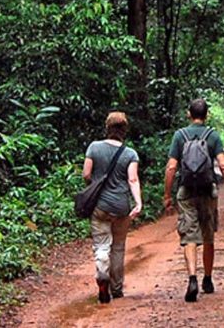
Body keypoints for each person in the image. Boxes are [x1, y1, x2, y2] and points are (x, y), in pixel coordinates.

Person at [163, 98, 224, 302]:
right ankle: (207, 278)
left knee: (189, 235)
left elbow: (171, 167)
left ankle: (192, 278)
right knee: (208, 235)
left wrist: (167, 195)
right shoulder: (212, 135)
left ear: (189, 114)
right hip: (207, 190)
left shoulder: (180, 135)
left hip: (186, 190)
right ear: (207, 115)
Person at [82, 111, 142, 304]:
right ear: (124, 130)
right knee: (118, 247)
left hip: (100, 205)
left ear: (107, 128)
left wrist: (95, 185)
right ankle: (116, 289)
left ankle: (102, 273)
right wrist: (138, 202)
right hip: (121, 207)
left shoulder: (94, 147)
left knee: (102, 244)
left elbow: (86, 174)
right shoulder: (130, 153)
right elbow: (132, 179)